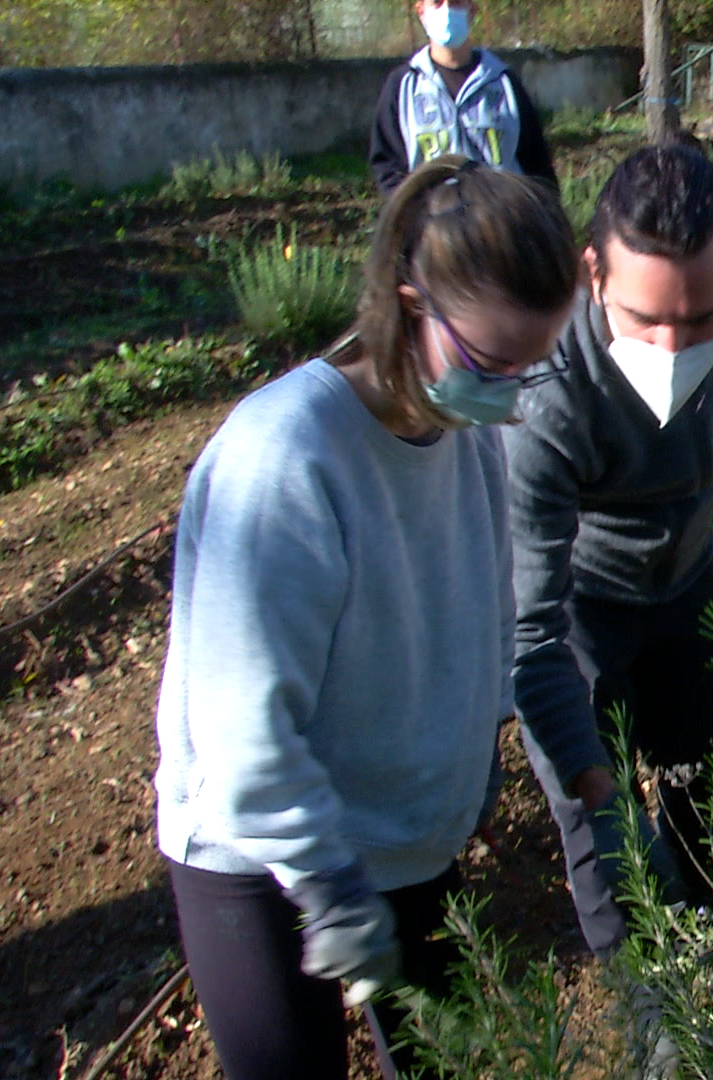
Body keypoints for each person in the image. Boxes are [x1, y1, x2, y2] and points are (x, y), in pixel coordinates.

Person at [151, 156, 606, 1080]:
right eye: (491, 363)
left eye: (533, 364)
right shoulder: (285, 462)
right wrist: (328, 886)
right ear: (408, 305)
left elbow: (487, 623)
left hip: (403, 846)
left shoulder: (464, 438)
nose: (512, 394)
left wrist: (474, 777)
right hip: (266, 856)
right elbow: (243, 730)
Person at [508, 144, 713, 959]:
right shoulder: (545, 384)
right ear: (591, 272)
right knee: (603, 837)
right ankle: (650, 1009)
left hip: (687, 576)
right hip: (580, 600)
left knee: (709, 781)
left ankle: (710, 948)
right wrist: (596, 786)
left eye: (701, 319)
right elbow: (528, 632)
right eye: (644, 320)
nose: (672, 350)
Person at [369, 0, 557, 197]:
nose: (447, 10)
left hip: (500, 223)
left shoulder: (504, 82)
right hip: (431, 224)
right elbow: (387, 167)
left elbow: (537, 165)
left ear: (472, 10)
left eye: (457, 2)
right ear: (421, 11)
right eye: (437, 3)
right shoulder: (403, 86)